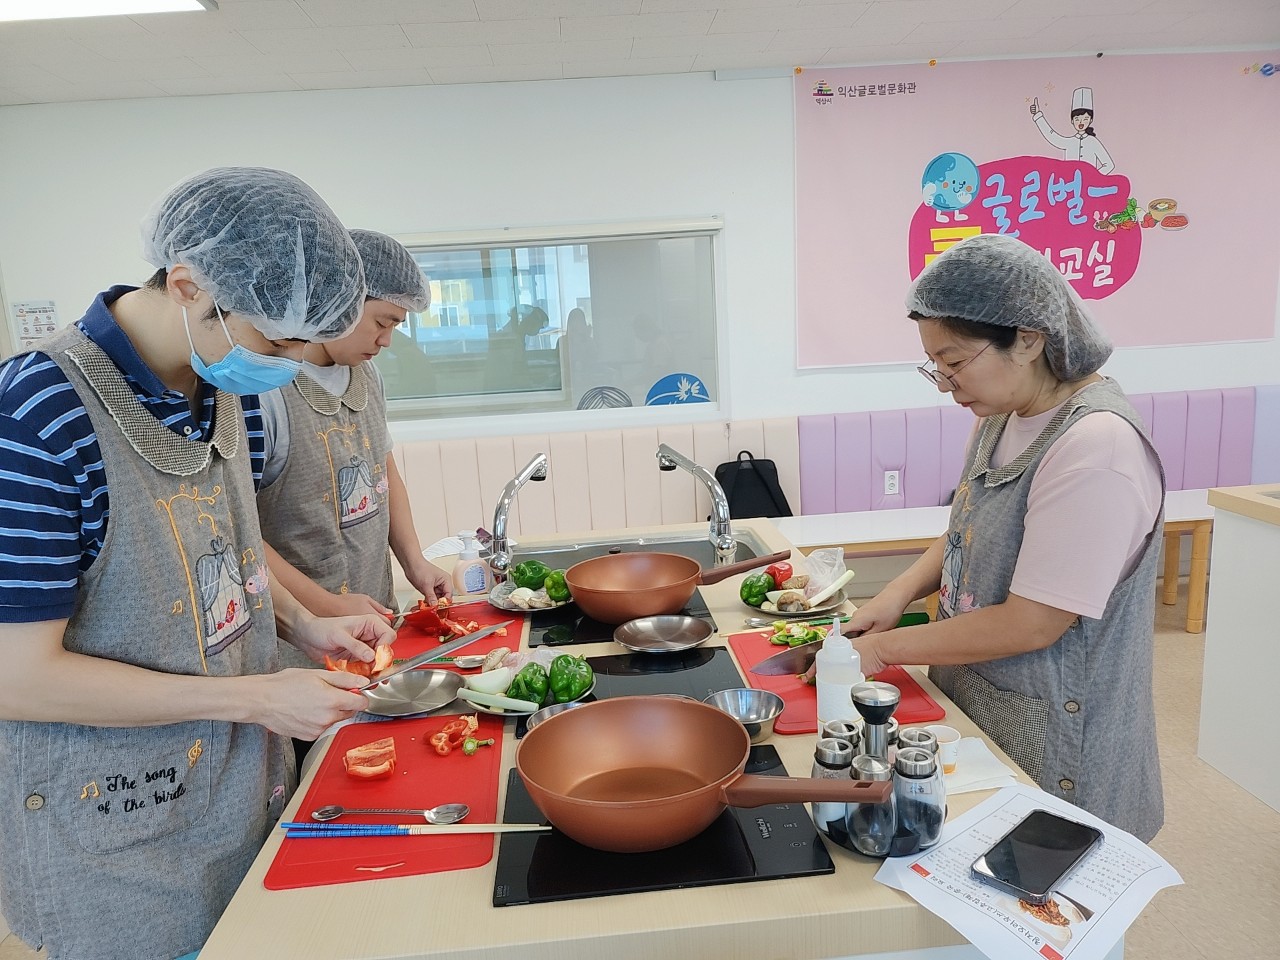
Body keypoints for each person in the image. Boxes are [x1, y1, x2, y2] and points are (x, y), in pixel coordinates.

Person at [0, 167, 397, 960]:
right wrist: (256, 697)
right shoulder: (37, 414)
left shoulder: (221, 388)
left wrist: (306, 622)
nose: (287, 364)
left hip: (239, 797)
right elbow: (17, 675)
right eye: (274, 341)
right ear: (187, 285)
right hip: (120, 839)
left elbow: (235, 547)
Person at [846, 234, 1165, 841]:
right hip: (978, 697)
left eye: (956, 362)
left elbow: (1033, 623)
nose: (945, 384)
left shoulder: (1097, 448)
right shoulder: (1000, 417)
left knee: (1045, 895)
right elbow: (967, 529)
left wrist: (884, 652)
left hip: (1059, 734)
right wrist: (897, 595)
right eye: (934, 367)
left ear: (1028, 338)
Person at [256, 229, 452, 656]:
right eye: (382, 322)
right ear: (338, 299)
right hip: (303, 637)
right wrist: (325, 607)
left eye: (396, 327)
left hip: (376, 610)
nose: (386, 341)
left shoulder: (367, 376)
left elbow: (385, 471)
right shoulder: (267, 389)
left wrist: (414, 561)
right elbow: (241, 532)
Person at [1030, 86, 1114, 174]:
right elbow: (1052, 136)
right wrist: (1038, 115)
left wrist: (1094, 177)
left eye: (1085, 119)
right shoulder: (1070, 142)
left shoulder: (1093, 142)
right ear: (1072, 121)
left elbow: (1109, 165)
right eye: (1077, 119)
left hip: (1089, 186)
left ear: (1091, 120)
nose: (1081, 122)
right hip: (1069, 185)